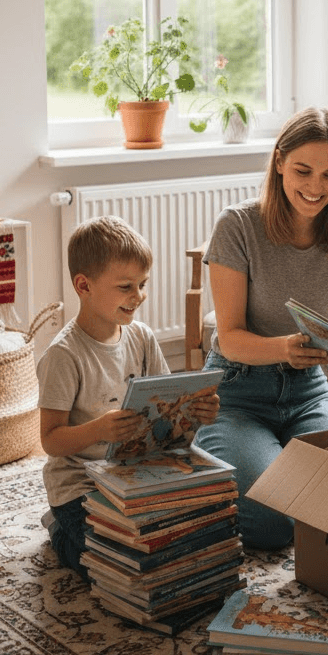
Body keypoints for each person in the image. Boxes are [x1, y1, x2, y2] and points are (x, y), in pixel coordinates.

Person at [194, 107, 328, 550]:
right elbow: (230, 337)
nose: (315, 188)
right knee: (270, 526)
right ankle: (214, 459)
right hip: (237, 394)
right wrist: (284, 349)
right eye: (303, 171)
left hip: (309, 392)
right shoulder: (237, 225)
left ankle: (266, 466)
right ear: (279, 162)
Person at [37, 215, 220, 579]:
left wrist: (197, 412)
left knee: (192, 537)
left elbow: (167, 410)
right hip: (80, 486)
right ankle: (60, 531)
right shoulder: (64, 355)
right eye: (125, 287)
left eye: (142, 284)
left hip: (135, 473)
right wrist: (99, 430)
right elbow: (50, 441)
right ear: (83, 286)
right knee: (118, 567)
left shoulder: (141, 337)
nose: (138, 296)